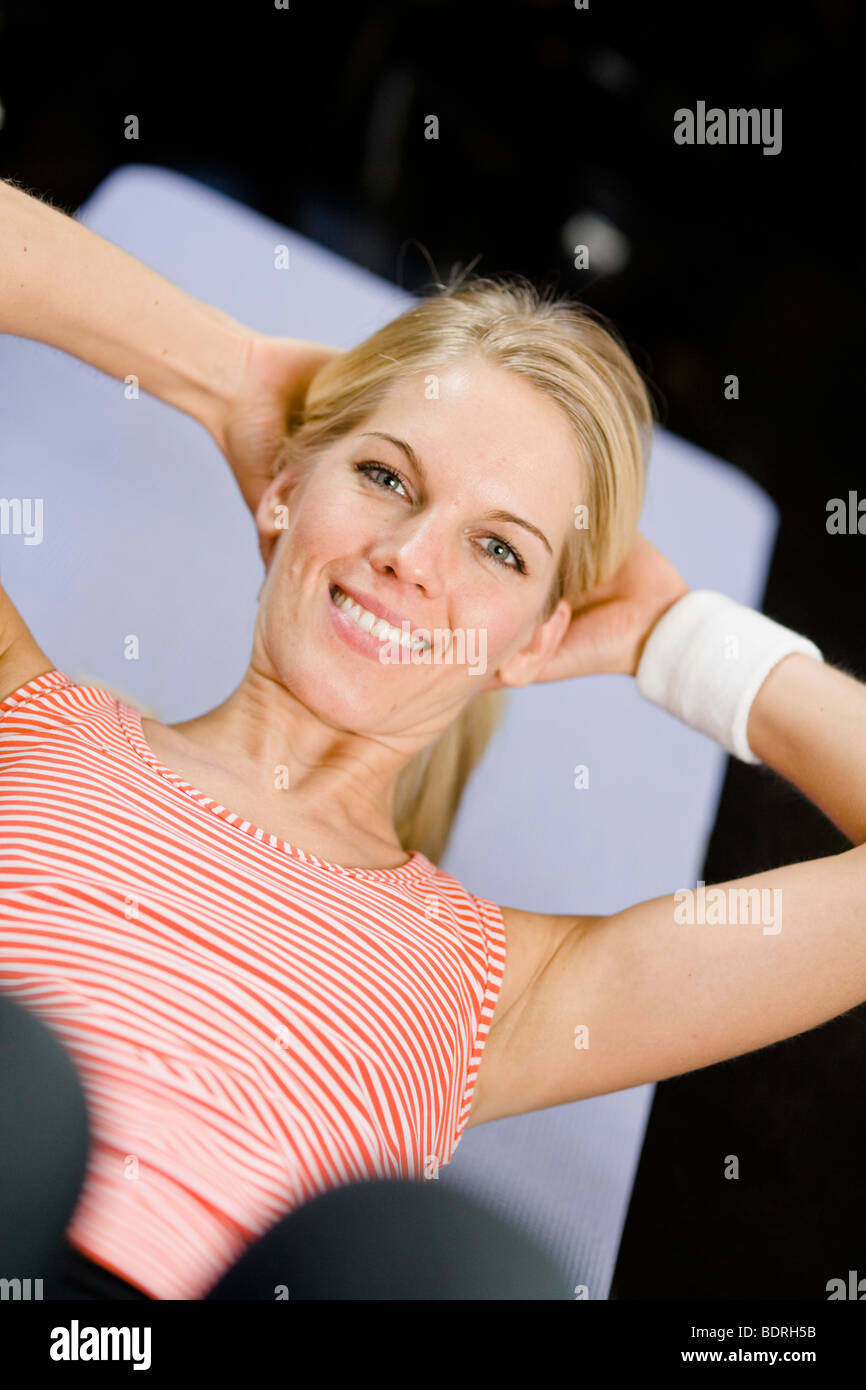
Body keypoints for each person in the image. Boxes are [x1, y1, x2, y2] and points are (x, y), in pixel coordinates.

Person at [1, 178, 864, 1300]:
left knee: (459, 1272)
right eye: (381, 474)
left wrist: (680, 639)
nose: (412, 555)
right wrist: (221, 373)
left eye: (499, 552)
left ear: (537, 637)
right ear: (283, 485)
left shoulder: (510, 990)